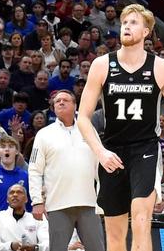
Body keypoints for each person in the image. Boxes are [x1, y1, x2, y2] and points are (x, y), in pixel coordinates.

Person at [77, 4, 164, 251]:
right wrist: (100, 152)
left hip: (145, 149)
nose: (127, 26)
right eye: (124, 22)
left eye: (134, 22)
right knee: (115, 234)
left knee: (141, 219)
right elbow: (83, 118)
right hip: (111, 151)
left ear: (147, 31)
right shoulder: (102, 65)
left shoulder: (161, 67)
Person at [28, 89, 104, 251]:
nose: (60, 102)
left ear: (75, 105)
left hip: (88, 203)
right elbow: (34, 170)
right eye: (57, 101)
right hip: (58, 205)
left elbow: (100, 165)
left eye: (65, 100)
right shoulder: (44, 134)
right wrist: (37, 201)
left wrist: (105, 196)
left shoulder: (89, 131)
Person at [0, 184, 46, 251]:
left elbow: (48, 243)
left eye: (19, 192)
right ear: (7, 200)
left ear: (26, 199)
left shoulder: (37, 218)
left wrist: (35, 248)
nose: (15, 195)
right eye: (11, 193)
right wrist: (11, 246)